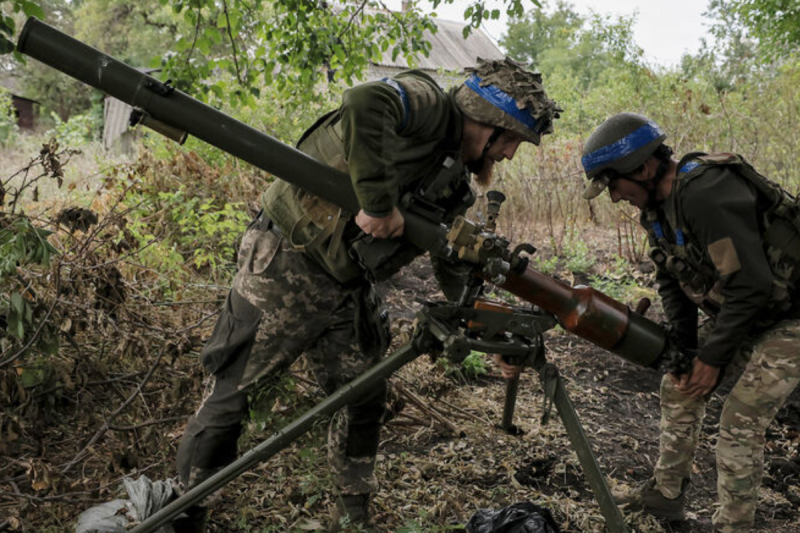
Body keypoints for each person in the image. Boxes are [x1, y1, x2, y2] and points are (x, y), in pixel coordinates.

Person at [173, 57, 561, 532]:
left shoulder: (455, 182)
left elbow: (445, 255)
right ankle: (182, 514)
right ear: (490, 121)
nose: (509, 156)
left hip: (348, 284)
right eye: (512, 141)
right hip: (287, 263)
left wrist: (483, 320)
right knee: (233, 394)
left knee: (363, 395)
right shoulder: (426, 103)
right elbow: (363, 100)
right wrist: (378, 204)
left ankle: (352, 515)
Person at [581, 112, 800, 533]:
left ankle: (735, 526)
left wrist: (713, 358)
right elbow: (672, 278)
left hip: (791, 315)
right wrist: (685, 351)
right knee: (678, 385)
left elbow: (749, 284)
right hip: (754, 311)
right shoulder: (657, 210)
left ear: (642, 168)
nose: (613, 197)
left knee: (738, 424)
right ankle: (666, 496)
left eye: (613, 184)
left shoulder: (705, 194)